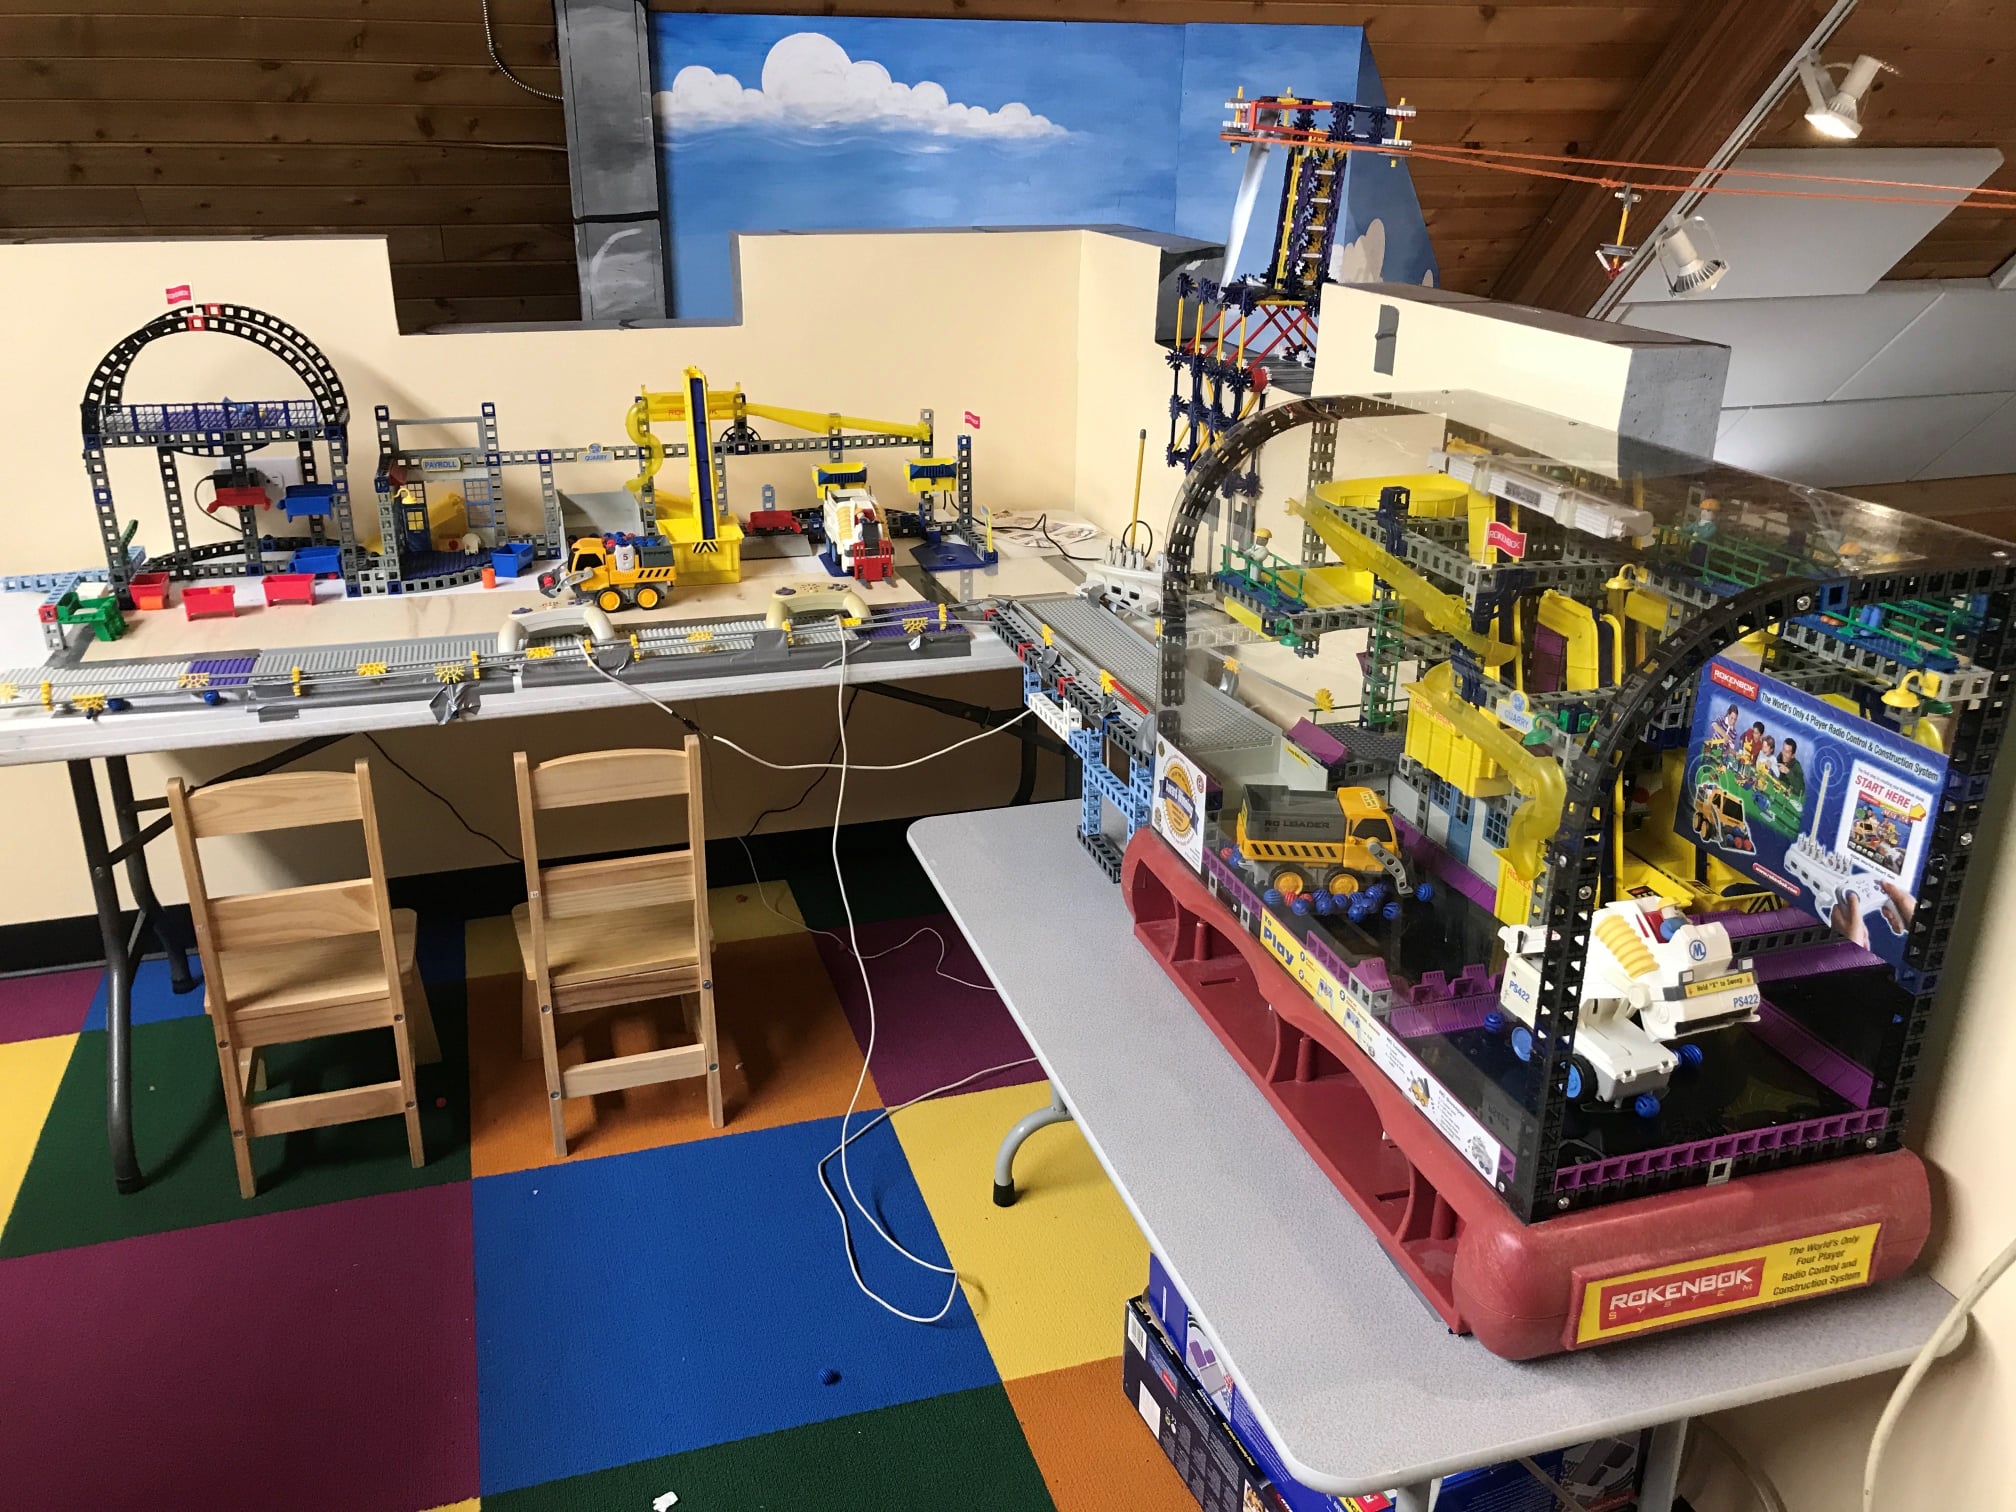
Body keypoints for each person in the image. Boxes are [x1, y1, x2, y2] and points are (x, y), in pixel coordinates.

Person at [1775, 736, 1806, 802]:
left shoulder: (1797, 767)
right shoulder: (1780, 757)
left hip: (1787, 799)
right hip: (1776, 791)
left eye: (1787, 752)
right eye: (1783, 749)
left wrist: (1788, 772)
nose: (1783, 754)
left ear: (1793, 755)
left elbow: (1801, 791)